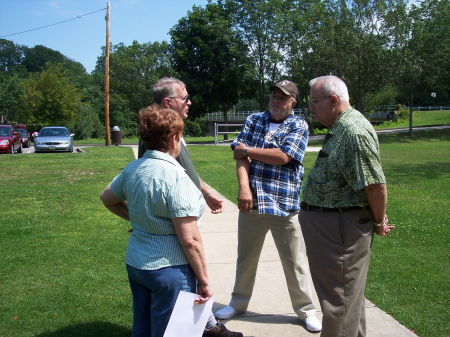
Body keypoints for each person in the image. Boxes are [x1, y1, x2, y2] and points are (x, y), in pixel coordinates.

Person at [100, 104, 242, 337]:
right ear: (175, 137)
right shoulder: (177, 177)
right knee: (175, 333)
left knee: (143, 329)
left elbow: (107, 198)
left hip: (137, 264)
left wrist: (141, 222)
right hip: (170, 270)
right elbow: (190, 240)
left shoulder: (133, 169)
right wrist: (204, 281)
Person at [214, 80, 322, 333]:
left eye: (282, 97)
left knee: (295, 262)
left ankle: (306, 311)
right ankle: (238, 304)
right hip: (252, 202)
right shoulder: (254, 120)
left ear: (292, 102)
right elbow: (240, 158)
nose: (275, 100)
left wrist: (249, 150)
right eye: (273, 95)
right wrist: (243, 189)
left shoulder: (298, 124)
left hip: (284, 204)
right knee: (246, 258)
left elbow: (284, 157)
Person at [299, 75, 395, 337]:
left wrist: (378, 221)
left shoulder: (352, 131)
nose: (311, 107)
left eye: (315, 101)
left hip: (339, 229)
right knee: (347, 300)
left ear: (333, 100)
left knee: (338, 303)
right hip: (332, 227)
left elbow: (374, 185)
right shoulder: (341, 126)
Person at [138, 77, 224, 215]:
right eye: (185, 98)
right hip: (176, 220)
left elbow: (184, 170)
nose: (189, 102)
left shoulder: (171, 130)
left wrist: (206, 193)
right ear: (168, 102)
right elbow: (149, 181)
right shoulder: (161, 134)